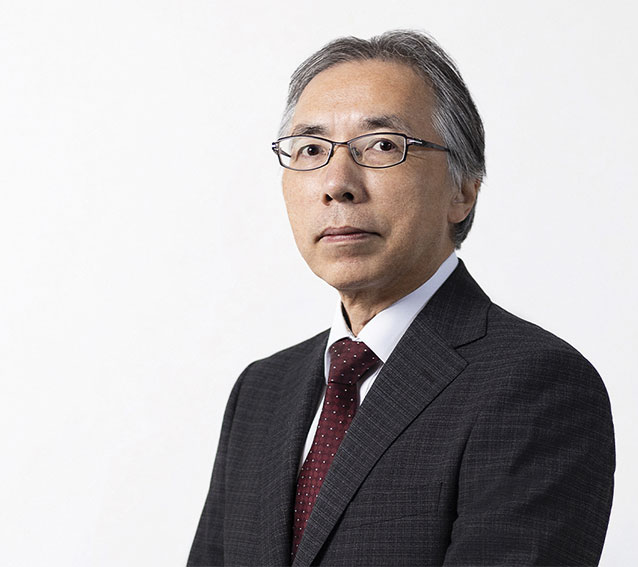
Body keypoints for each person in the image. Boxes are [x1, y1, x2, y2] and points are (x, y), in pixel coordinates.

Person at [188, 30, 615, 566]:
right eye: (312, 149)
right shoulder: (261, 391)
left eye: (382, 145)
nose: (336, 183)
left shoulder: (535, 385)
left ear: (463, 189)